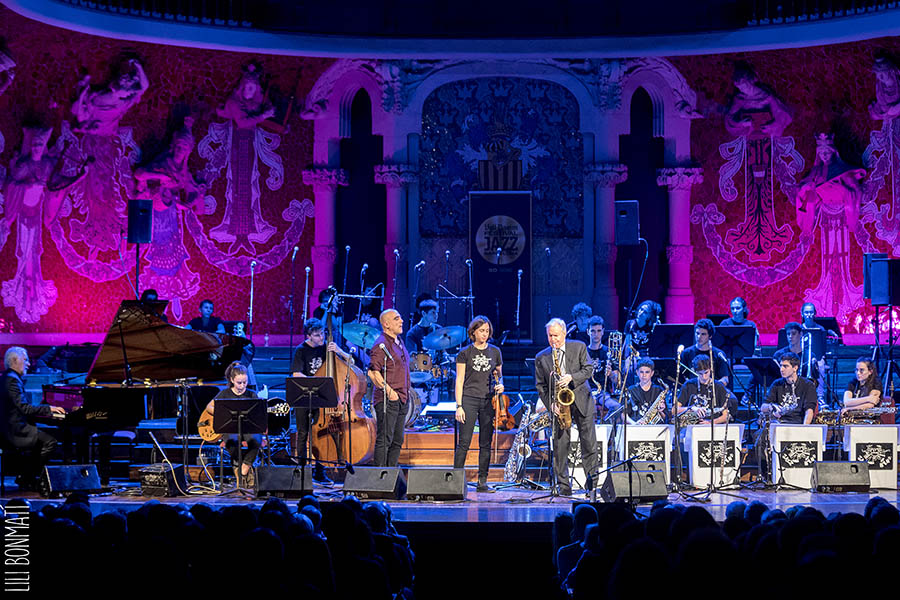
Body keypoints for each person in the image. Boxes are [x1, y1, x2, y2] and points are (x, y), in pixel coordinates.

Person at [534, 318, 597, 496]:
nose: (553, 339)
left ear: (564, 333)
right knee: (560, 448)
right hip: (559, 406)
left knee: (589, 445)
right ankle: (563, 487)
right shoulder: (542, 357)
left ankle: (591, 486)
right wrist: (550, 404)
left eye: (556, 335)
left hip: (581, 401)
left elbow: (588, 369)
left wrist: (571, 377)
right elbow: (541, 386)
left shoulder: (579, 347)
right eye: (550, 336)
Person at [290, 318, 351, 483]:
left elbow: (350, 362)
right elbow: (296, 374)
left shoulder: (327, 348)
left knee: (322, 434)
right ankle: (301, 471)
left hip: (322, 398)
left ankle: (320, 471)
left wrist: (339, 350)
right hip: (304, 396)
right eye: (317, 335)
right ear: (309, 335)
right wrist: (316, 381)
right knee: (303, 433)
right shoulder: (301, 350)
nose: (321, 338)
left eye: (323, 334)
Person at [1, 347, 66, 490]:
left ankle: (26, 476)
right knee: (50, 442)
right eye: (26, 360)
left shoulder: (8, 378)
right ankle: (27, 477)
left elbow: (22, 407)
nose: (29, 364)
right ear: (14, 360)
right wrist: (49, 409)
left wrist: (43, 409)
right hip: (15, 430)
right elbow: (24, 408)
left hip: (12, 426)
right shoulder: (11, 381)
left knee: (42, 439)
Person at [453, 316, 504, 492]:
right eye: (481, 331)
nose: (485, 334)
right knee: (464, 442)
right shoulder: (465, 353)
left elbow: (499, 374)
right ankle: (456, 480)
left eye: (487, 331)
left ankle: (482, 481)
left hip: (488, 400)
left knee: (485, 442)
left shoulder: (495, 351)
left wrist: (501, 385)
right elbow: (459, 380)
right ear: (473, 332)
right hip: (469, 399)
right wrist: (458, 405)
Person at [205, 361, 261, 488]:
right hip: (230, 428)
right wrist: (223, 413)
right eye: (239, 383)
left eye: (245, 382)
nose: (242, 386)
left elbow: (258, 414)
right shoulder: (224, 394)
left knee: (256, 440)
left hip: (248, 428)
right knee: (231, 442)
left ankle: (245, 466)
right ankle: (239, 466)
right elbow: (209, 407)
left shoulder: (251, 394)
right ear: (232, 380)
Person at [368, 309, 411, 467]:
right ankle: (380, 477)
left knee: (397, 439)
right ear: (386, 324)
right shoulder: (381, 344)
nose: (401, 321)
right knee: (385, 439)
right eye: (396, 319)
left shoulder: (399, 341)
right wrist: (390, 392)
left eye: (400, 318)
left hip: (402, 397)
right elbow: (373, 372)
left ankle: (390, 475)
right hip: (388, 399)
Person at [774, 321, 825, 406]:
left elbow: (815, 378)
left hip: (803, 392)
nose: (790, 337)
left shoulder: (809, 355)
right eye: (788, 334)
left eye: (793, 334)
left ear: (801, 334)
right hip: (783, 390)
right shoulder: (779, 354)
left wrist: (814, 366)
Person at [760, 353, 817, 424]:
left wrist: (804, 429)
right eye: (781, 366)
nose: (781, 369)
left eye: (785, 366)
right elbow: (763, 407)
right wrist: (771, 407)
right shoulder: (777, 384)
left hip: (798, 423)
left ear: (795, 368)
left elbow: (809, 411)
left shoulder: (808, 385)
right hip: (780, 423)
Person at [675, 356, 730, 425]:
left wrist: (710, 423)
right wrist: (692, 408)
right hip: (692, 427)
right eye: (700, 373)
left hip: (713, 427)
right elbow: (674, 410)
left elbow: (726, 415)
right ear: (695, 371)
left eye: (706, 372)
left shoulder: (719, 386)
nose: (704, 377)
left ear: (711, 369)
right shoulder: (688, 385)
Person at [681, 319, 731, 389]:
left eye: (703, 334)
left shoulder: (719, 354)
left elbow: (725, 379)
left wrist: (713, 386)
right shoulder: (686, 353)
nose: (699, 337)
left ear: (710, 336)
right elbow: (682, 376)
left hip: (713, 392)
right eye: (697, 333)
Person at [586, 316, 620, 416]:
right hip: (587, 392)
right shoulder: (583, 352)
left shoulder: (608, 352)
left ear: (603, 331)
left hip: (603, 394)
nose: (596, 334)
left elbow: (616, 380)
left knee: (617, 407)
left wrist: (610, 375)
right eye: (593, 331)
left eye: (599, 331)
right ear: (588, 332)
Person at [625, 358, 667, 424]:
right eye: (641, 372)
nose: (644, 375)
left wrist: (661, 411)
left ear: (652, 373)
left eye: (647, 372)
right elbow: (623, 415)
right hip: (636, 428)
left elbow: (665, 417)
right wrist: (634, 424)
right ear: (637, 372)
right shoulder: (631, 390)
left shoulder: (659, 390)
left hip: (655, 428)